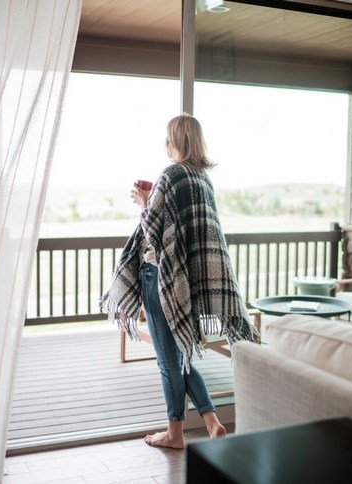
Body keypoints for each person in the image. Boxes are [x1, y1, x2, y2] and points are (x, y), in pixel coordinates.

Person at [101, 113, 256, 449]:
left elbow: (154, 229)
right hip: (184, 279)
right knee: (180, 357)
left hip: (160, 276)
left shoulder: (171, 175)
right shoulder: (202, 179)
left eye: (169, 138)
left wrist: (144, 202)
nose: (165, 144)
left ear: (178, 141)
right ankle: (212, 422)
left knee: (168, 360)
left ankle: (174, 434)